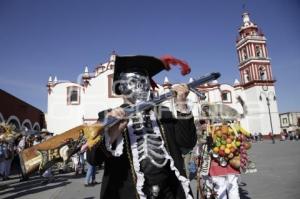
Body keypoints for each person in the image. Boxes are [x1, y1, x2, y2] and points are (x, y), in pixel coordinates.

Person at [87, 55, 197, 199]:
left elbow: (187, 144)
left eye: (144, 81)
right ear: (121, 86)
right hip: (129, 194)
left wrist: (182, 104)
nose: (140, 86)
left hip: (169, 192)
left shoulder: (163, 113)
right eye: (133, 81)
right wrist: (112, 133)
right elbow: (93, 159)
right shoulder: (108, 116)